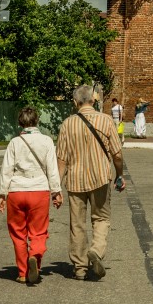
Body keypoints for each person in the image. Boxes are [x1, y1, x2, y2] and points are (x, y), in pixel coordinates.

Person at [56, 84, 124, 281]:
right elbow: (117, 154)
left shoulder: (67, 124)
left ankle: (79, 268)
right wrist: (119, 174)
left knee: (77, 224)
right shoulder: (106, 120)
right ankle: (96, 250)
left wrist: (56, 188)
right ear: (93, 101)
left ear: (75, 102)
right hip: (101, 178)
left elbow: (61, 160)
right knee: (101, 218)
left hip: (75, 181)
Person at [0, 105, 63, 285]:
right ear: (36, 121)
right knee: (39, 232)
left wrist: (2, 194)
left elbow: (6, 171)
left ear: (21, 123)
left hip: (16, 191)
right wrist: (56, 191)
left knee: (18, 234)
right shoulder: (47, 141)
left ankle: (22, 272)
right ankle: (34, 257)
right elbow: (52, 169)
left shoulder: (14, 143)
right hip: (39, 191)